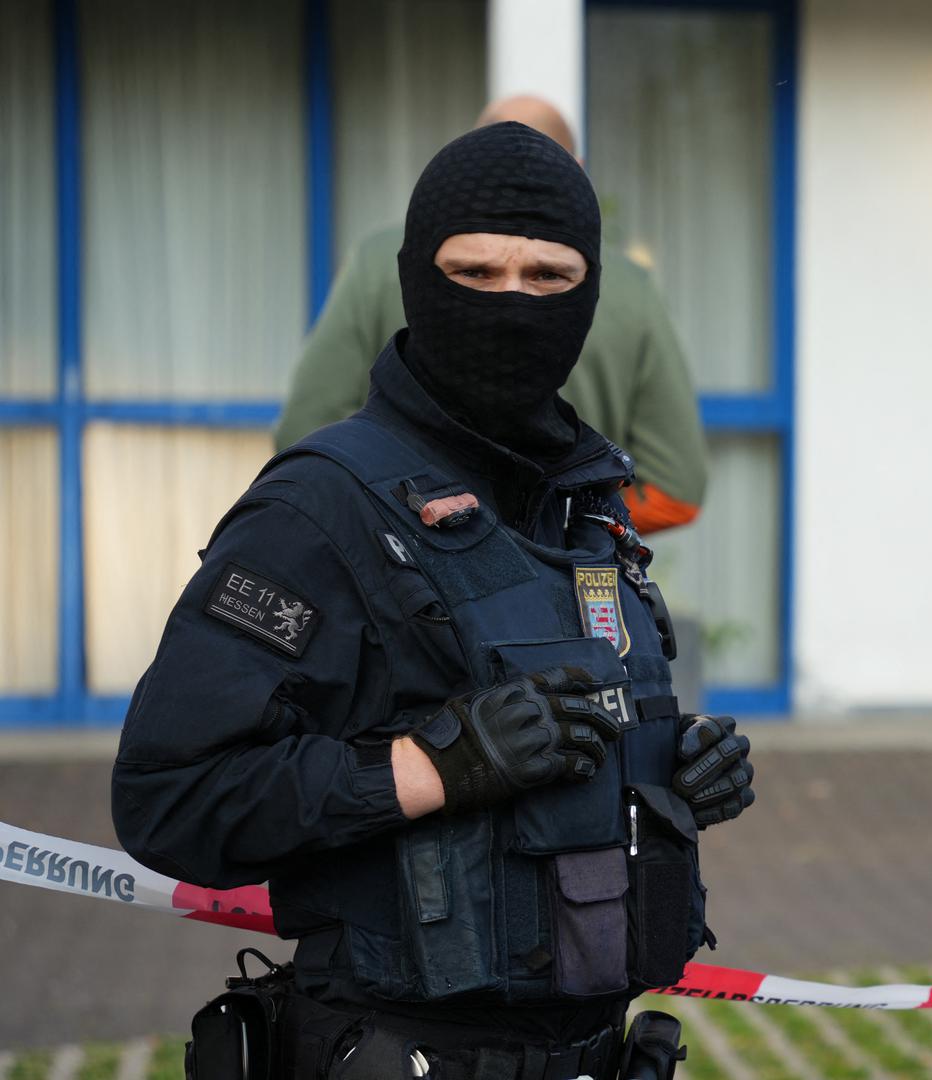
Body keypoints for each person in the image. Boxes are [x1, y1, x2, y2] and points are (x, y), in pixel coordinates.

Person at [112, 123, 753, 1080]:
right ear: (417, 280)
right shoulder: (317, 510)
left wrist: (666, 770)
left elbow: (546, 750)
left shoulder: (588, 510)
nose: (510, 303)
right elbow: (171, 801)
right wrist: (427, 767)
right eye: (476, 271)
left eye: (547, 278)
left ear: (589, 298)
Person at [274, 95, 709, 536]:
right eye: (475, 274)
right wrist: (566, 530)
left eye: (547, 277)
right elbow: (676, 491)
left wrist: (409, 531)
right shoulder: (630, 287)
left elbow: (303, 435)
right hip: (570, 583)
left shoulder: (377, 263)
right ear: (577, 169)